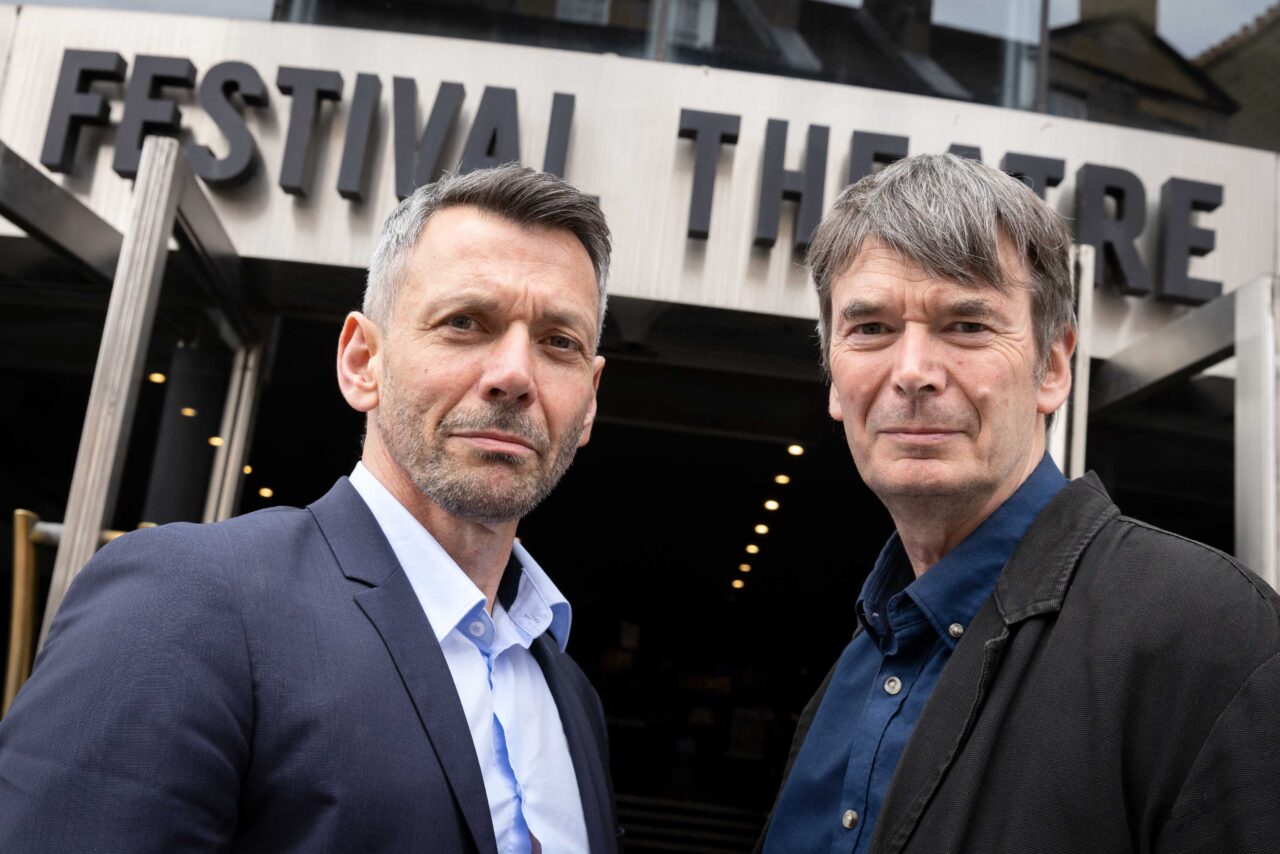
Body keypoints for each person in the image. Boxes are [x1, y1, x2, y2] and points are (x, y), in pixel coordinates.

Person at [0, 165, 621, 853]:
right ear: (363, 361)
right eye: (466, 323)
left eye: (558, 342)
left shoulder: (571, 697)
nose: (514, 373)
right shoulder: (189, 602)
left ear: (589, 400)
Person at [758, 153, 1280, 853]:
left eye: (967, 325)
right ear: (833, 380)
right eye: (872, 328)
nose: (912, 372)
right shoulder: (852, 672)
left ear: (1053, 368)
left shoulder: (1208, 635)